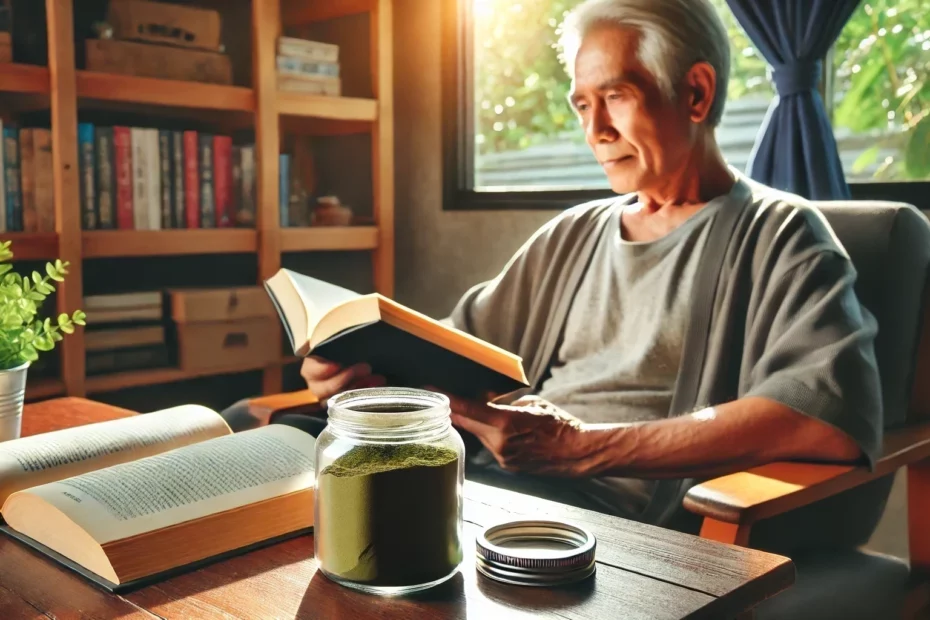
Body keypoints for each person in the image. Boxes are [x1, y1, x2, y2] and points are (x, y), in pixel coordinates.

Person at [222, 0, 886, 548]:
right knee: (253, 441)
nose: (594, 130)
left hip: (613, 525)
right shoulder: (574, 232)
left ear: (696, 92)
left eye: (616, 97)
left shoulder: (783, 234)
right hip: (484, 485)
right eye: (580, 105)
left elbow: (820, 419)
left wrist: (582, 448)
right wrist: (356, 372)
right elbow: (453, 356)